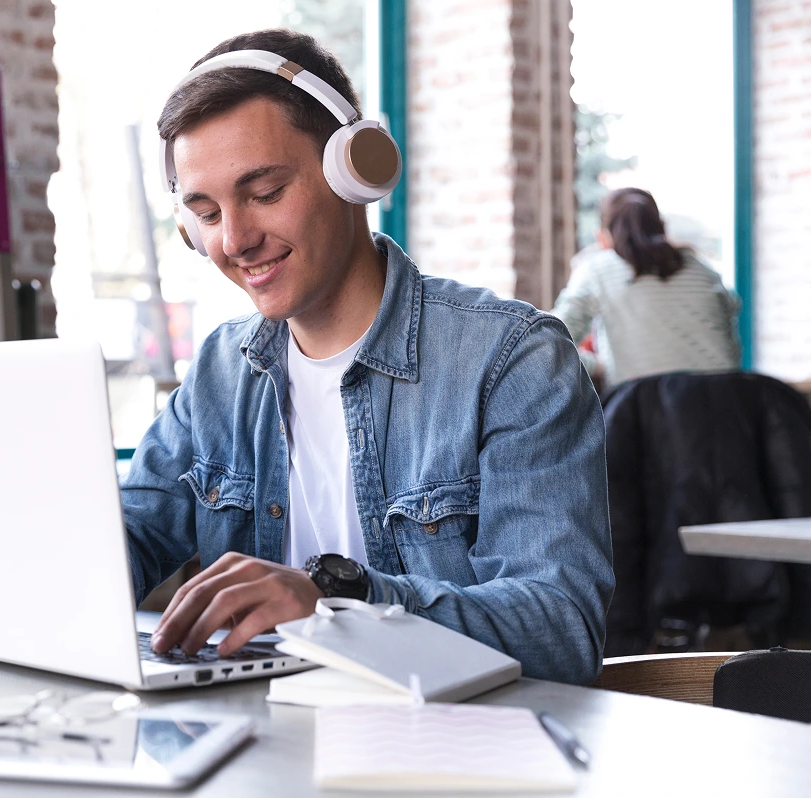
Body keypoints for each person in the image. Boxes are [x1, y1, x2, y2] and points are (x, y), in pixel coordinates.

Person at [120, 29, 614, 685]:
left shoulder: (511, 361)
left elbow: (560, 633)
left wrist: (338, 600)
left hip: (458, 764)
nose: (234, 240)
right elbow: (123, 543)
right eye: (206, 212)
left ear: (354, 171)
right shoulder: (219, 371)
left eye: (264, 192)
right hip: (267, 757)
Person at [551, 187, 741, 390]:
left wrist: (597, 366)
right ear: (663, 228)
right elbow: (730, 332)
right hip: (724, 405)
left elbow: (550, 345)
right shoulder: (703, 270)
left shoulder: (597, 269)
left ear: (603, 237)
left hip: (642, 409)